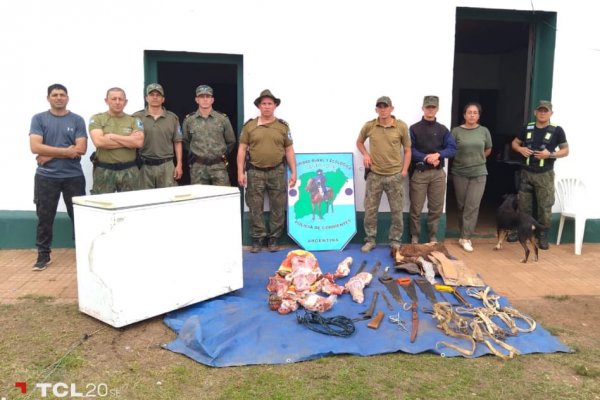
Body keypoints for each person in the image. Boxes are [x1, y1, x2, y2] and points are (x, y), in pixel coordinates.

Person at [29, 84, 87, 271]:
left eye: (62, 94)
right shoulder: (39, 119)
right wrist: (66, 151)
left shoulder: (77, 120)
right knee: (44, 217)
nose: (59, 98)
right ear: (48, 98)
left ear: (67, 98)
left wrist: (51, 154)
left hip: (73, 177)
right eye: (55, 95)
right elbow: (35, 148)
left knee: (78, 216)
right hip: (46, 177)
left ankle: (83, 253)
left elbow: (81, 149)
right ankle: (43, 255)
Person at [236, 89, 297, 253]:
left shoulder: (282, 126)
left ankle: (274, 238)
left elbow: (289, 150)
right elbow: (242, 149)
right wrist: (240, 172)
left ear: (275, 106)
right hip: (255, 172)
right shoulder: (249, 126)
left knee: (278, 206)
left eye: (270, 103)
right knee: (255, 206)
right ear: (259, 106)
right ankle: (257, 239)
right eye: (264, 103)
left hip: (277, 171)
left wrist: (294, 172)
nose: (267, 107)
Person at [511, 100, 569, 250]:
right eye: (540, 110)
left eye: (546, 111)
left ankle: (542, 236)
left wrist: (550, 155)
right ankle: (521, 231)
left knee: (545, 207)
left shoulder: (557, 130)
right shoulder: (527, 128)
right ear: (535, 112)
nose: (543, 113)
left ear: (551, 113)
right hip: (527, 172)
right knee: (524, 205)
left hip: (545, 174)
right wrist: (520, 149)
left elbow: (565, 150)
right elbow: (514, 143)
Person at [356, 96, 411, 253]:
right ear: (376, 110)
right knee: (370, 210)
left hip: (394, 175)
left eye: (386, 107)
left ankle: (395, 241)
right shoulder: (370, 126)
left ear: (391, 108)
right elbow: (359, 142)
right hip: (375, 175)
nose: (383, 110)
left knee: (397, 211)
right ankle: (370, 240)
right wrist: (366, 155)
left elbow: (407, 150)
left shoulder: (401, 127)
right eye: (380, 107)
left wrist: (404, 170)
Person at [409, 95, 456, 244]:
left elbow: (452, 149)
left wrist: (439, 154)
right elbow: (409, 150)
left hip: (437, 174)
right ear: (423, 108)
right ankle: (414, 237)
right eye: (427, 107)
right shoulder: (414, 128)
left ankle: (433, 237)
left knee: (436, 208)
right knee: (416, 208)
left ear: (437, 109)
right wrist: (426, 157)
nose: (430, 110)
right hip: (420, 173)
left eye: (433, 107)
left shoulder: (443, 130)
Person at [450, 102, 492, 252]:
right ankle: (463, 234)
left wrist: (479, 159)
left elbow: (488, 149)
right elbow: (450, 149)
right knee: (462, 205)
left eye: (475, 112)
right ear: (464, 115)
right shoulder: (456, 131)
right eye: (469, 112)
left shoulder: (484, 131)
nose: (472, 115)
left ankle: (466, 237)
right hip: (459, 172)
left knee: (472, 206)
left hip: (479, 172)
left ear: (479, 115)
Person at [89, 87, 144, 194]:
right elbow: (99, 142)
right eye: (114, 99)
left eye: (120, 99)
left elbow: (138, 142)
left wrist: (113, 136)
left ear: (125, 102)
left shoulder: (134, 120)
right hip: (104, 170)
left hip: (129, 170)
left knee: (131, 205)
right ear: (106, 101)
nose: (117, 102)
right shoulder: (97, 119)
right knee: (102, 204)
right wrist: (128, 141)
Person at [183, 85, 236, 186]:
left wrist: (220, 155)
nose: (205, 99)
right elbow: (185, 142)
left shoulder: (222, 119)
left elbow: (231, 141)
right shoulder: (189, 120)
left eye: (208, 97)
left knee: (222, 197)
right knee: (199, 199)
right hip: (198, 168)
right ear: (196, 100)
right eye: (202, 97)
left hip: (219, 166)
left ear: (212, 100)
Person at [132, 83, 183, 189]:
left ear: (163, 99)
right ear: (146, 98)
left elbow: (177, 142)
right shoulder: (137, 117)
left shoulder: (172, 118)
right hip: (144, 165)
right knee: (145, 199)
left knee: (169, 198)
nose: (155, 97)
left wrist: (179, 164)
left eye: (158, 95)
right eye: (151, 95)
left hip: (166, 165)